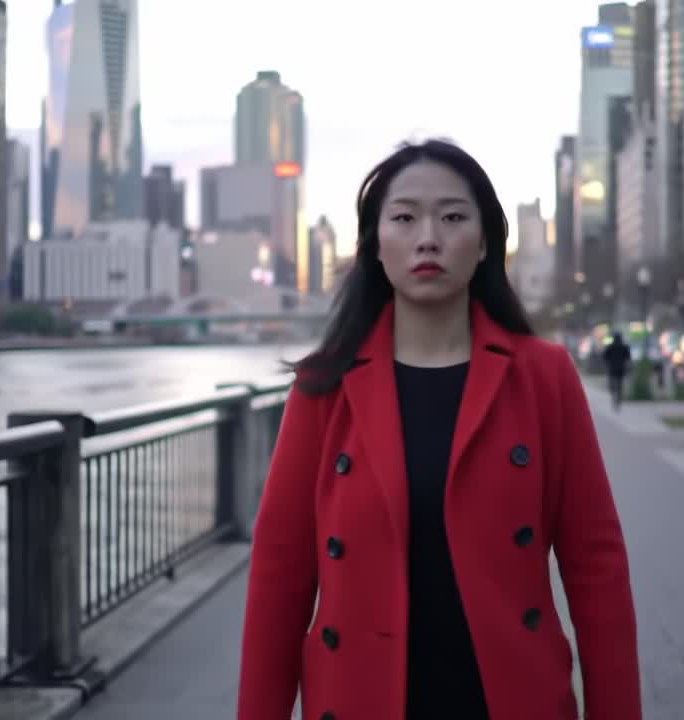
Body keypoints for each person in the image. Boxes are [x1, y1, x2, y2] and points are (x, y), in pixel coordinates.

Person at [236, 139, 641, 720]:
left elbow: (597, 568)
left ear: (484, 245)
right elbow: (279, 578)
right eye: (404, 218)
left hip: (510, 701)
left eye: (453, 217)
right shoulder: (324, 387)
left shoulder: (543, 377)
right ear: (376, 246)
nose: (429, 237)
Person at [602, 331, 632, 411]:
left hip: (612, 368)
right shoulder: (624, 346)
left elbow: (605, 356)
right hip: (621, 368)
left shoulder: (610, 346)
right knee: (620, 384)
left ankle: (614, 396)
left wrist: (607, 363)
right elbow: (628, 357)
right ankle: (618, 398)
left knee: (612, 384)